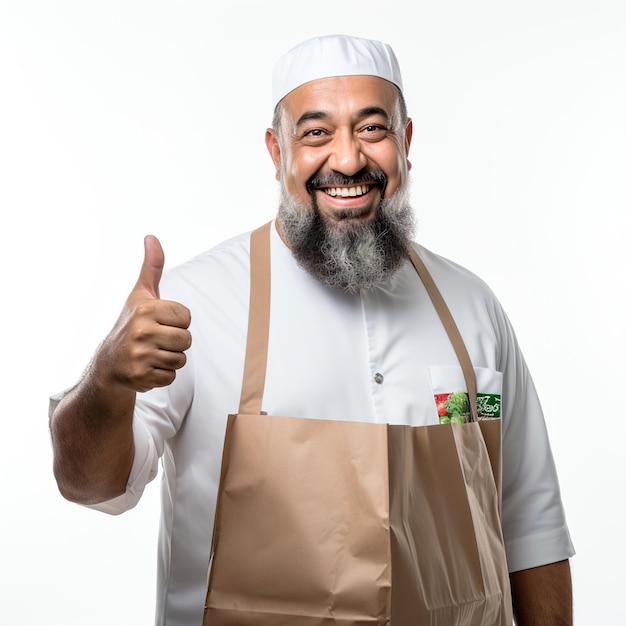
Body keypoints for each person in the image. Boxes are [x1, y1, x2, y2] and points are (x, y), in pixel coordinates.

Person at [49, 34, 575, 625]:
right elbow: (89, 486)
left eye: (372, 129)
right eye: (316, 133)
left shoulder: (473, 308)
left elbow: (530, 527)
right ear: (276, 151)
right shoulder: (192, 304)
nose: (348, 160)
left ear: (406, 142)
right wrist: (107, 381)